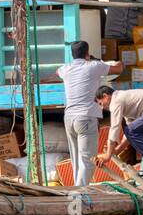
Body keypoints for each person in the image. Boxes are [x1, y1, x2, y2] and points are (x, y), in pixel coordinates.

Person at [47, 41, 120, 187]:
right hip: (86, 117)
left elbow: (57, 72)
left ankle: (76, 189)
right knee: (88, 159)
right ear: (87, 53)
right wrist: (97, 60)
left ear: (72, 54)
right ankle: (79, 193)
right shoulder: (93, 66)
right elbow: (118, 68)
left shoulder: (66, 69)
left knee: (76, 159)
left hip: (69, 118)